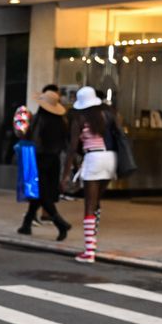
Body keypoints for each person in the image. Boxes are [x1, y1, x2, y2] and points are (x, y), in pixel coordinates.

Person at [61, 86, 117, 263]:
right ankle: (93, 242)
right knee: (97, 202)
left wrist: (65, 174)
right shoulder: (106, 116)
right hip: (110, 158)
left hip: (93, 158)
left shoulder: (80, 118)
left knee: (89, 206)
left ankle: (89, 251)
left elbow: (72, 148)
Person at [17, 85, 71, 241]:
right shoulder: (62, 122)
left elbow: (32, 139)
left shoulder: (40, 120)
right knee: (40, 192)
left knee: (40, 193)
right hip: (54, 160)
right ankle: (26, 224)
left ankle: (60, 223)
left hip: (39, 159)